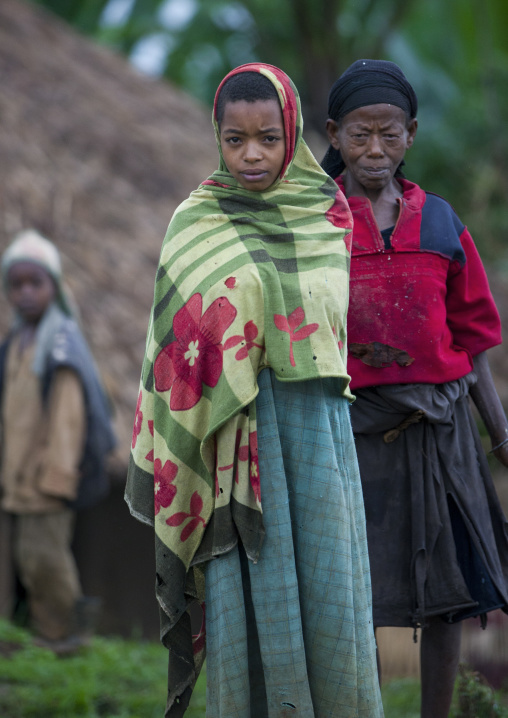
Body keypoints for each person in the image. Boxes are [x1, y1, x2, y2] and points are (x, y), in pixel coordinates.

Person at [125, 63, 384, 717]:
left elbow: (328, 323)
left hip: (315, 439)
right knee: (250, 592)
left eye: (267, 138)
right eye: (234, 138)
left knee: (327, 598)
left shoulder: (326, 216)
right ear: (216, 136)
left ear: (292, 134)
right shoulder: (195, 222)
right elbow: (172, 344)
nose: (251, 154)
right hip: (234, 447)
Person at [322, 58, 508, 718]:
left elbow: (475, 340)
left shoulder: (441, 222)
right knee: (355, 593)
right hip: (350, 432)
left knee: (447, 593)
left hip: (441, 432)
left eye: (390, 134)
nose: (375, 149)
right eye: (360, 135)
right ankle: (363, 708)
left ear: (412, 135)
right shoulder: (314, 224)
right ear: (335, 134)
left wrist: (500, 432)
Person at [0, 229, 116, 654]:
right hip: (18, 478)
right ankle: (47, 633)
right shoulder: (16, 343)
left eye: (36, 283)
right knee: (29, 561)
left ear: (54, 286)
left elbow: (68, 420)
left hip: (47, 480)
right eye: (17, 284)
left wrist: (58, 475)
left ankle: (67, 635)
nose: (26, 293)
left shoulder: (61, 344)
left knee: (47, 559)